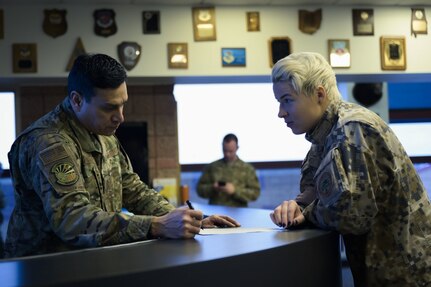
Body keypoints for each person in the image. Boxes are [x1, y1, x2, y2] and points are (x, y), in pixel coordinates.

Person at [5, 53, 240, 258]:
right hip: (45, 268)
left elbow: (133, 190)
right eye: (109, 107)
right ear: (77, 100)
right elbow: (72, 219)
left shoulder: (103, 132)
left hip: (91, 262)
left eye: (123, 105)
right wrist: (156, 225)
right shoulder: (48, 142)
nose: (120, 117)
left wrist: (187, 219)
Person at [269, 52, 431, 286]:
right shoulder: (325, 134)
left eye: (287, 100)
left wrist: (307, 213)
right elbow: (315, 190)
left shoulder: (352, 129)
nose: (281, 112)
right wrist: (298, 205)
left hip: (406, 274)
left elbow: (353, 216)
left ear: (319, 94)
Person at [197, 133, 260, 207]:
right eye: (225, 150)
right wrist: (213, 188)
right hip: (216, 211)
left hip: (238, 213)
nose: (227, 154)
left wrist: (235, 191)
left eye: (231, 151)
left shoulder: (247, 169)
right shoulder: (212, 167)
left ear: (237, 148)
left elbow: (255, 193)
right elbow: (199, 189)